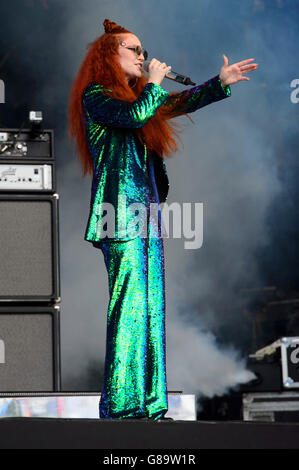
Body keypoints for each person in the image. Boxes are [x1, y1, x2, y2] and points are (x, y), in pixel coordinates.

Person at [68, 19, 258, 421]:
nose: (143, 56)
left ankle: (150, 406)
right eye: (134, 50)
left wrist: (218, 83)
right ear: (110, 56)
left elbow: (172, 105)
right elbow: (137, 114)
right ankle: (122, 408)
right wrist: (154, 83)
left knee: (152, 310)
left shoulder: (140, 98)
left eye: (143, 49)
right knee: (130, 308)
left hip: (147, 217)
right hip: (117, 216)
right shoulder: (97, 96)